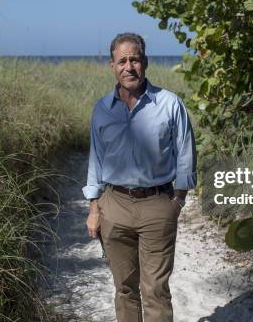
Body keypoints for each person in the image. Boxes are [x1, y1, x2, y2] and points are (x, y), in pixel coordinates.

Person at [83, 32, 197, 322]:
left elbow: (186, 154)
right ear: (112, 66)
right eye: (122, 61)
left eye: (134, 59)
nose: (128, 66)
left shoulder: (170, 104)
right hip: (114, 205)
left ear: (145, 62)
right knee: (124, 289)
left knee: (156, 290)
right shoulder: (101, 110)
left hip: (158, 204)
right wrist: (94, 209)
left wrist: (178, 202)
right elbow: (96, 160)